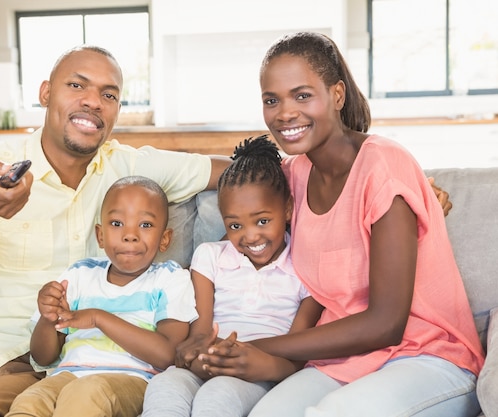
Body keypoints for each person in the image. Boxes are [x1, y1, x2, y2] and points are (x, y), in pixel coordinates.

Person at [0, 45, 230, 417]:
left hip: (35, 361)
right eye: (77, 85)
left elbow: (236, 173)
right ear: (45, 93)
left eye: (109, 94)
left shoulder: (131, 167)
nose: (93, 101)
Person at [196, 32, 485, 417]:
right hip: (343, 359)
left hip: (427, 355)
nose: (285, 112)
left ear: (336, 95)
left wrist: (263, 346)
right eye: (271, 100)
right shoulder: (293, 176)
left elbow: (387, 324)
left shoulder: (383, 164)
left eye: (302, 95)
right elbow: (244, 200)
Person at [142, 135, 322, 417]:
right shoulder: (210, 256)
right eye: (235, 225)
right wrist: (196, 354)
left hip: (262, 371)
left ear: (287, 209)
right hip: (211, 361)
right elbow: (200, 333)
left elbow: (299, 353)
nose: (250, 236)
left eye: (262, 221)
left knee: (218, 395)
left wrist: (266, 366)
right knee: (165, 385)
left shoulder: (306, 266)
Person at [6, 175, 198, 417]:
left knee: (87, 393)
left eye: (145, 225)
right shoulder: (79, 274)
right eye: (117, 224)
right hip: (66, 375)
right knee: (30, 400)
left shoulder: (169, 278)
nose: (130, 235)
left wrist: (98, 318)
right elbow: (43, 357)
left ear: (165, 239)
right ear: (100, 235)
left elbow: (167, 355)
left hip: (133, 380)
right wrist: (48, 317)